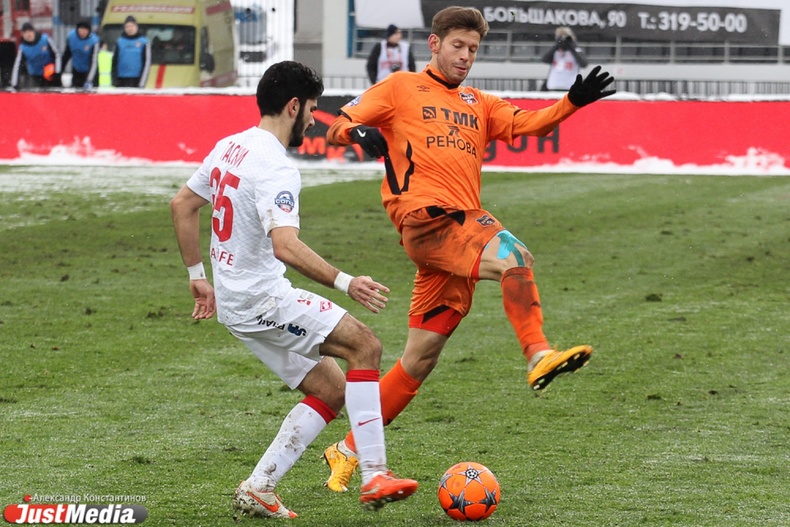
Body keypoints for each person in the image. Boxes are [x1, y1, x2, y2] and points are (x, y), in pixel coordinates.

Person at [322, 6, 615, 492]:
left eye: (473, 49)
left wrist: (571, 101)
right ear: (434, 44)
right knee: (515, 256)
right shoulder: (400, 87)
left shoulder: (480, 102)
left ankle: (348, 450)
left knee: (420, 358)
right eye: (458, 45)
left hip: (452, 237)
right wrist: (359, 132)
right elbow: (339, 123)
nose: (465, 55)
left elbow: (532, 124)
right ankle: (538, 353)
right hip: (428, 219)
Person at [170, 60, 418, 519]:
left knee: (331, 388)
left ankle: (260, 486)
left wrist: (197, 276)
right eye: (311, 109)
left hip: (235, 303)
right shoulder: (276, 167)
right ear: (293, 106)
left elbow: (182, 205)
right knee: (365, 345)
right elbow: (285, 245)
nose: (313, 119)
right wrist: (347, 282)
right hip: (262, 300)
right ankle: (375, 473)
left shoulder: (231, 146)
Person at [10, 22, 61, 90]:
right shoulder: (23, 48)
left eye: (30, 31)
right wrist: (14, 83)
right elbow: (17, 66)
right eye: (25, 33)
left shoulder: (45, 39)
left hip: (51, 74)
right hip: (35, 77)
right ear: (22, 35)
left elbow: (57, 55)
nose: (28, 34)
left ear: (34, 31)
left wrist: (57, 72)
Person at [541, 26, 588, 91]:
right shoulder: (555, 51)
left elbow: (584, 64)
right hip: (554, 85)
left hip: (570, 86)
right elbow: (545, 59)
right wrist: (556, 45)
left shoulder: (575, 50)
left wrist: (571, 46)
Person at [111, 16, 150, 88]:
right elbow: (114, 61)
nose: (130, 28)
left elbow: (147, 62)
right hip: (121, 79)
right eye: (127, 26)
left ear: (136, 27)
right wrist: (114, 80)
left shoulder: (144, 42)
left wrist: (142, 82)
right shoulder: (119, 42)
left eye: (131, 26)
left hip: (137, 79)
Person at [62, 19, 100, 89]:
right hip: (76, 70)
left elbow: (94, 62)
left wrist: (89, 80)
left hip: (90, 71)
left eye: (85, 30)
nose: (82, 32)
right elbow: (66, 55)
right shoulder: (71, 37)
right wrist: (60, 72)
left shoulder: (94, 41)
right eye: (80, 29)